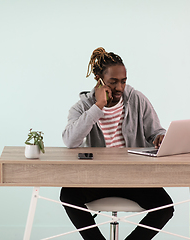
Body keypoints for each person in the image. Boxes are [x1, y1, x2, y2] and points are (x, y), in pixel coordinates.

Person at [60, 47, 174, 240]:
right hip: (97, 178)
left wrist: (160, 138)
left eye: (123, 81)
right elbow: (70, 141)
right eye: (113, 82)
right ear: (99, 79)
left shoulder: (137, 99)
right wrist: (98, 107)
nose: (120, 87)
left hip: (133, 177)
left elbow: (156, 131)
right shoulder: (82, 107)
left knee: (165, 208)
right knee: (68, 196)